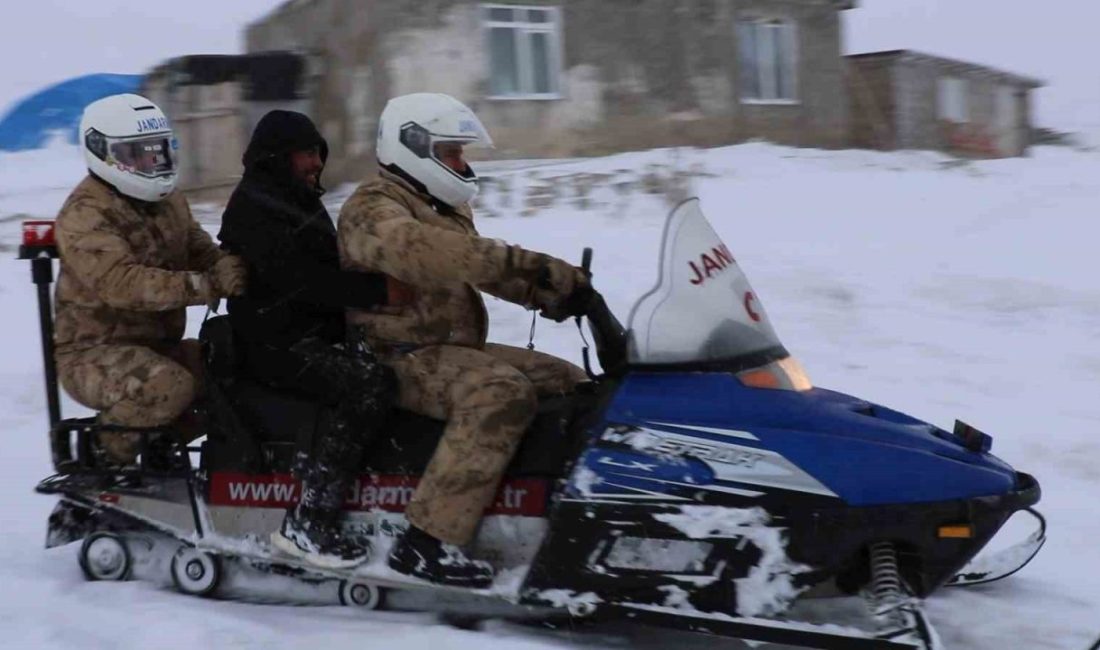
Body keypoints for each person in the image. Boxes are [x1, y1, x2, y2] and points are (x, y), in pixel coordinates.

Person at [337, 93, 592, 587]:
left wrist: (558, 294)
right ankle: (425, 542)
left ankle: (552, 510)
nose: (462, 163)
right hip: (396, 355)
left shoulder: (442, 207)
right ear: (413, 147)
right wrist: (522, 262)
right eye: (451, 152)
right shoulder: (372, 207)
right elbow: (426, 254)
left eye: (460, 152)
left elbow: (479, 270)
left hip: (450, 348)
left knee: (569, 381)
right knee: (499, 392)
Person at [217, 110, 396, 569]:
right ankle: (310, 521)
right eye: (306, 152)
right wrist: (379, 293)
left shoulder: (292, 197)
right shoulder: (254, 207)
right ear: (278, 155)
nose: (316, 161)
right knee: (367, 386)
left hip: (306, 333)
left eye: (319, 151)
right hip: (273, 346)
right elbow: (300, 280)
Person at [54, 93, 246, 466]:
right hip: (93, 354)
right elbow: (123, 284)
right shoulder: (85, 214)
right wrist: (206, 285)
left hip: (158, 346)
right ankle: (105, 458)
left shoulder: (169, 200)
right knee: (166, 386)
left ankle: (159, 446)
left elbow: (198, 248)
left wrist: (230, 268)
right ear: (102, 153)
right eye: (136, 154)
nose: (150, 162)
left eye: (156, 151)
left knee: (235, 369)